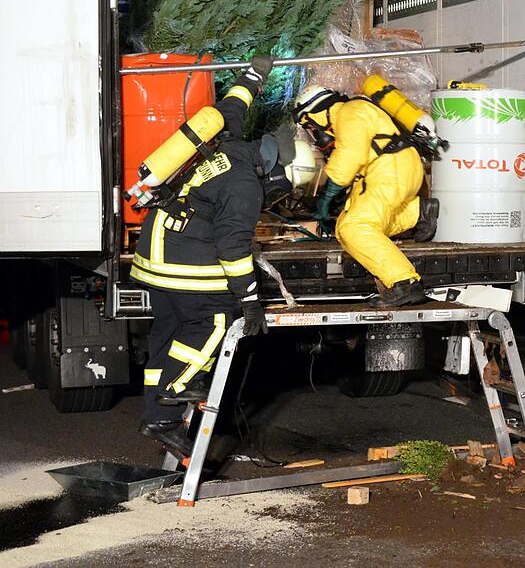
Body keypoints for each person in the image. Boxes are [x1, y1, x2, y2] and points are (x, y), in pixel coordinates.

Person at [131, 56, 279, 458]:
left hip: (154, 252)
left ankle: (157, 414)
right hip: (183, 263)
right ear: (275, 170)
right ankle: (171, 397)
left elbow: (233, 102)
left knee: (167, 336)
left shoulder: (226, 138)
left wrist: (255, 74)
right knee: (214, 321)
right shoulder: (247, 185)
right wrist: (249, 301)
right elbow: (232, 248)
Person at [293, 82, 437, 307]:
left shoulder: (349, 112)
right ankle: (417, 212)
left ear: (317, 111)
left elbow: (350, 155)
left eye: (310, 125)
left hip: (389, 170)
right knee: (345, 227)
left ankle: (404, 283)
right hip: (394, 170)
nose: (315, 133)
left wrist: (329, 191)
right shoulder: (353, 112)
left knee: (356, 227)